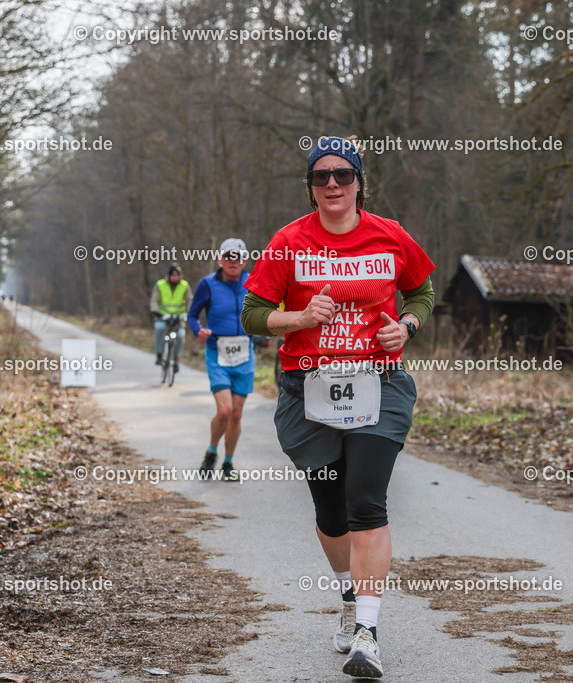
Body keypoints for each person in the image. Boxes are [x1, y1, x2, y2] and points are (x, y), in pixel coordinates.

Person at [241, 136, 435, 679]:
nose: (332, 184)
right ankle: (350, 596)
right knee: (330, 511)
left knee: (366, 500)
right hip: (310, 389)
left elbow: (422, 291)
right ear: (310, 187)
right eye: (321, 176)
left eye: (343, 175)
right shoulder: (288, 243)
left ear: (359, 183)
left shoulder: (391, 236)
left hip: (380, 382)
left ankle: (368, 633)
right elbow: (253, 313)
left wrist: (408, 326)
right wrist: (300, 319)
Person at [188, 239, 255, 482]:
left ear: (245, 260)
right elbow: (192, 316)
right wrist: (198, 330)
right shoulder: (208, 284)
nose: (232, 261)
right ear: (220, 259)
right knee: (225, 410)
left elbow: (264, 311)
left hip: (245, 354)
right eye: (228, 256)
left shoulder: (253, 282)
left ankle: (228, 463)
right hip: (217, 352)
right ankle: (211, 452)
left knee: (236, 414)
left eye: (237, 257)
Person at [149, 264, 191, 369]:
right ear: (169, 276)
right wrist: (155, 311)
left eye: (177, 276)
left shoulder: (184, 286)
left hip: (179, 316)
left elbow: (190, 301)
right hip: (163, 315)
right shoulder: (161, 284)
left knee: (181, 335)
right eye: (173, 276)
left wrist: (190, 313)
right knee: (159, 328)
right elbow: (154, 299)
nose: (175, 278)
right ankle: (159, 354)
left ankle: (176, 358)